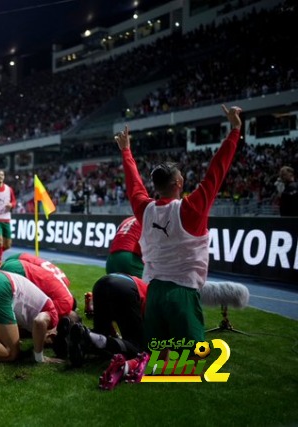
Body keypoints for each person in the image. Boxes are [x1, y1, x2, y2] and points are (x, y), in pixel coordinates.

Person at [114, 104, 242, 355]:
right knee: (192, 357)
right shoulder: (191, 209)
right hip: (182, 291)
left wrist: (126, 151)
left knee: (157, 355)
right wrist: (235, 130)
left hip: (153, 291)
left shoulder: (144, 208)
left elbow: (133, 184)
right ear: (179, 183)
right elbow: (216, 171)